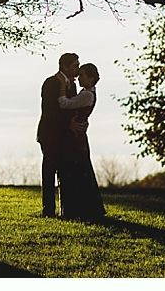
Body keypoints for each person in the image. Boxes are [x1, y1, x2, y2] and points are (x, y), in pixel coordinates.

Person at [57, 62, 106, 220]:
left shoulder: (87, 95)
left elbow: (65, 103)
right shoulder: (87, 93)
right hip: (78, 136)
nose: (78, 78)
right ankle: (81, 209)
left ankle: (77, 210)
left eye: (82, 75)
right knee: (79, 171)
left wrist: (62, 87)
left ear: (90, 78)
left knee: (75, 171)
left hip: (75, 138)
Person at [36, 52, 81, 217]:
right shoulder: (50, 83)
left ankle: (66, 210)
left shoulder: (73, 85)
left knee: (65, 172)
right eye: (75, 65)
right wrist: (68, 122)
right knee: (49, 172)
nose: (77, 68)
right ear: (64, 66)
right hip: (50, 134)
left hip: (65, 136)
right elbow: (49, 111)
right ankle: (48, 210)